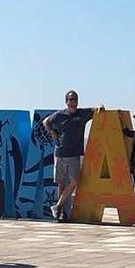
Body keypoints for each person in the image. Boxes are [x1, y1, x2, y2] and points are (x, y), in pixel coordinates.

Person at [42, 92, 99, 222]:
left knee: (74, 181)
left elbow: (95, 109)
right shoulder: (60, 115)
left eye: (76, 99)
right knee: (61, 184)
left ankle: (57, 206)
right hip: (60, 153)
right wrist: (52, 132)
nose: (74, 102)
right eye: (71, 99)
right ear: (66, 101)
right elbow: (46, 122)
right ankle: (60, 213)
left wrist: (99, 106)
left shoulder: (82, 114)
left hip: (74, 155)